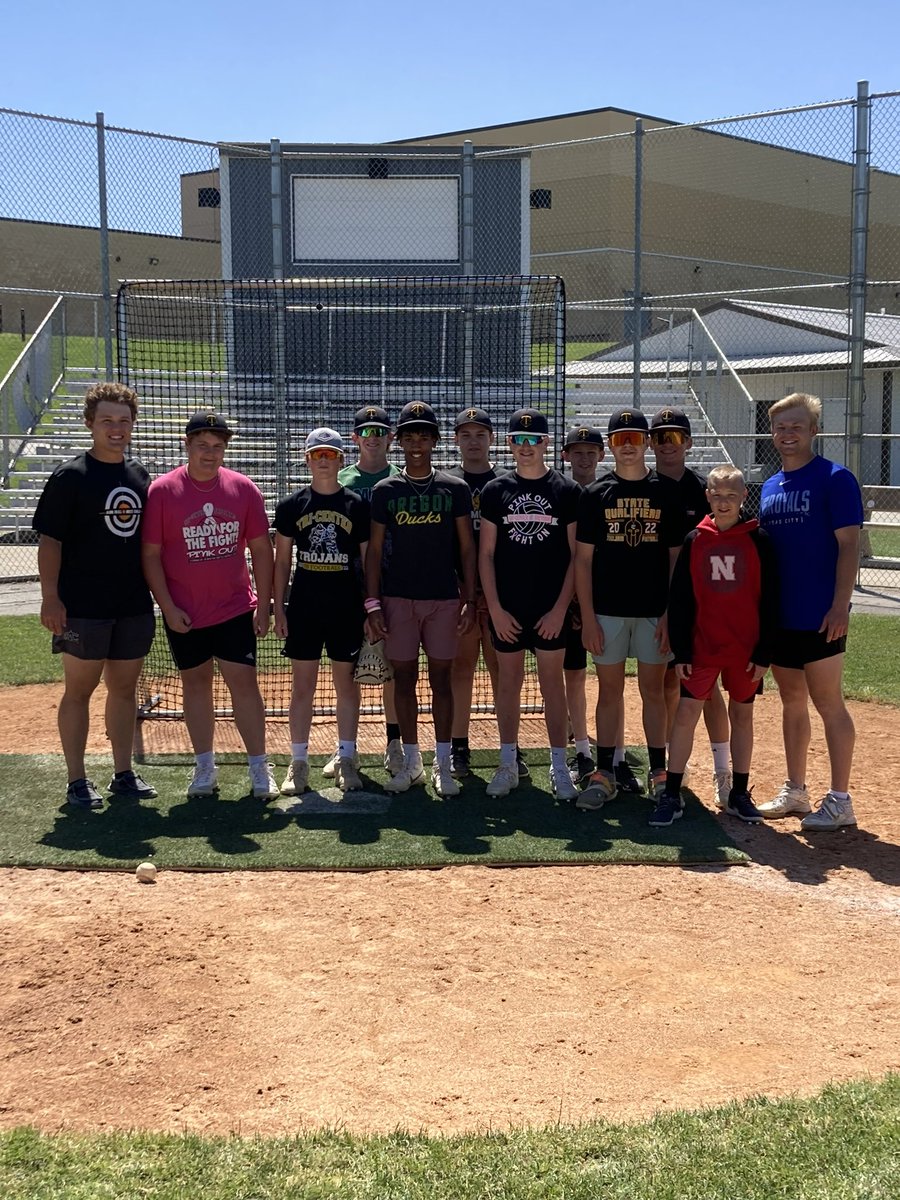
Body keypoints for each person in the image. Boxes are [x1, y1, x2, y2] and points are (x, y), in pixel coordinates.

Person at [33, 381, 157, 808]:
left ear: (133, 424)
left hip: (132, 604)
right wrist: (51, 598)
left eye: (124, 421)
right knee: (79, 691)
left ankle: (123, 773)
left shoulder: (139, 475)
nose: (116, 429)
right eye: (107, 420)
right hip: (83, 606)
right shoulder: (70, 477)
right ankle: (77, 780)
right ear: (90, 424)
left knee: (124, 690)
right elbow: (50, 542)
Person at [141, 411, 278, 799]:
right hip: (184, 612)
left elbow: (261, 550)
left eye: (218, 446)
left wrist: (264, 603)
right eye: (202, 445)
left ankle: (259, 766)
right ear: (187, 445)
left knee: (244, 685)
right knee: (195, 684)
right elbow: (150, 555)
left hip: (234, 609)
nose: (210, 453)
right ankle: (204, 766)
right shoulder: (162, 491)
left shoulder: (244, 489)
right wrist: (167, 607)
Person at [755, 392, 864, 831]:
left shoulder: (835, 479)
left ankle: (840, 800)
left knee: (828, 702)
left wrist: (840, 605)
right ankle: (796, 789)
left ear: (814, 430)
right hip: (782, 616)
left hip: (821, 614)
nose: (788, 434)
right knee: (792, 700)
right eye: (781, 427)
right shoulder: (769, 486)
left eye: (797, 426)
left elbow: (849, 546)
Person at [649, 465, 779, 827]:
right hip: (703, 645)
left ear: (744, 496)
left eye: (731, 495)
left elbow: (771, 600)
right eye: (717, 495)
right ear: (707, 496)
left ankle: (738, 792)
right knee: (686, 714)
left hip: (745, 648)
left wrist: (764, 652)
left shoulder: (758, 539)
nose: (724, 502)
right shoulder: (695, 539)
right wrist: (682, 651)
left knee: (742, 715)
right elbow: (681, 599)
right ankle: (671, 793)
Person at [574, 406, 688, 811]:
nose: (627, 446)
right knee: (609, 691)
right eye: (620, 439)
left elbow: (676, 559)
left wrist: (671, 614)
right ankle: (604, 772)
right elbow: (582, 561)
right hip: (608, 610)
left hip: (654, 610)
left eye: (635, 439)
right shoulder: (595, 494)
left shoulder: (666, 492)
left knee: (653, 691)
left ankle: (658, 771)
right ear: (610, 445)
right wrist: (588, 617)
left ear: (647, 443)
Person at [365, 401, 476, 797]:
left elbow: (467, 548)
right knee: (403, 680)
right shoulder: (385, 491)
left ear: (435, 441)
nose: (416, 443)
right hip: (397, 599)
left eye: (424, 436)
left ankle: (442, 765)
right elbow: (374, 551)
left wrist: (470, 598)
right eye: (409, 436)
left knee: (442, 681)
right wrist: (372, 604)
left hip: (443, 599)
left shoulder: (454, 488)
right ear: (399, 441)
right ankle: (411, 763)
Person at [479, 408, 581, 802]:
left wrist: (559, 609)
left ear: (546, 443)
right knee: (508, 683)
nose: (526, 447)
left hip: (549, 607)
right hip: (508, 606)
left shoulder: (566, 491)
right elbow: (486, 554)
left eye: (534, 440)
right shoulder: (496, 490)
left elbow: (575, 556)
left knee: (553, 685)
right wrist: (495, 608)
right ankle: (508, 763)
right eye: (519, 440)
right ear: (509, 444)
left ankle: (559, 766)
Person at [273, 428, 370, 796]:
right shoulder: (291, 505)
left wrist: (371, 606)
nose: (324, 460)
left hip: (346, 608)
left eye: (330, 454)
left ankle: (346, 757)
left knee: (346, 686)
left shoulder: (356, 506)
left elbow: (367, 562)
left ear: (341, 459)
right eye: (318, 454)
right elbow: (282, 562)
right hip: (305, 608)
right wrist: (278, 608)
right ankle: (298, 762)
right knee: (302, 688)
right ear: (307, 459)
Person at [650, 406, 733, 808]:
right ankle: (669, 767)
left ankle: (723, 772)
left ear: (689, 442)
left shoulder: (703, 491)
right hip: (650, 601)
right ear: (651, 443)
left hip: (699, 607)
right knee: (666, 684)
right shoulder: (642, 486)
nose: (668, 444)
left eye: (676, 436)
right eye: (660, 437)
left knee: (707, 689)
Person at [334, 404, 405, 778]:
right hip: (346, 585)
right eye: (366, 431)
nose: (373, 437)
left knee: (390, 668)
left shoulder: (401, 479)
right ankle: (346, 749)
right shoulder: (340, 479)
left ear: (390, 438)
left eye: (380, 431)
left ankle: (394, 744)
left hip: (392, 584)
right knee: (346, 670)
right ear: (354, 438)